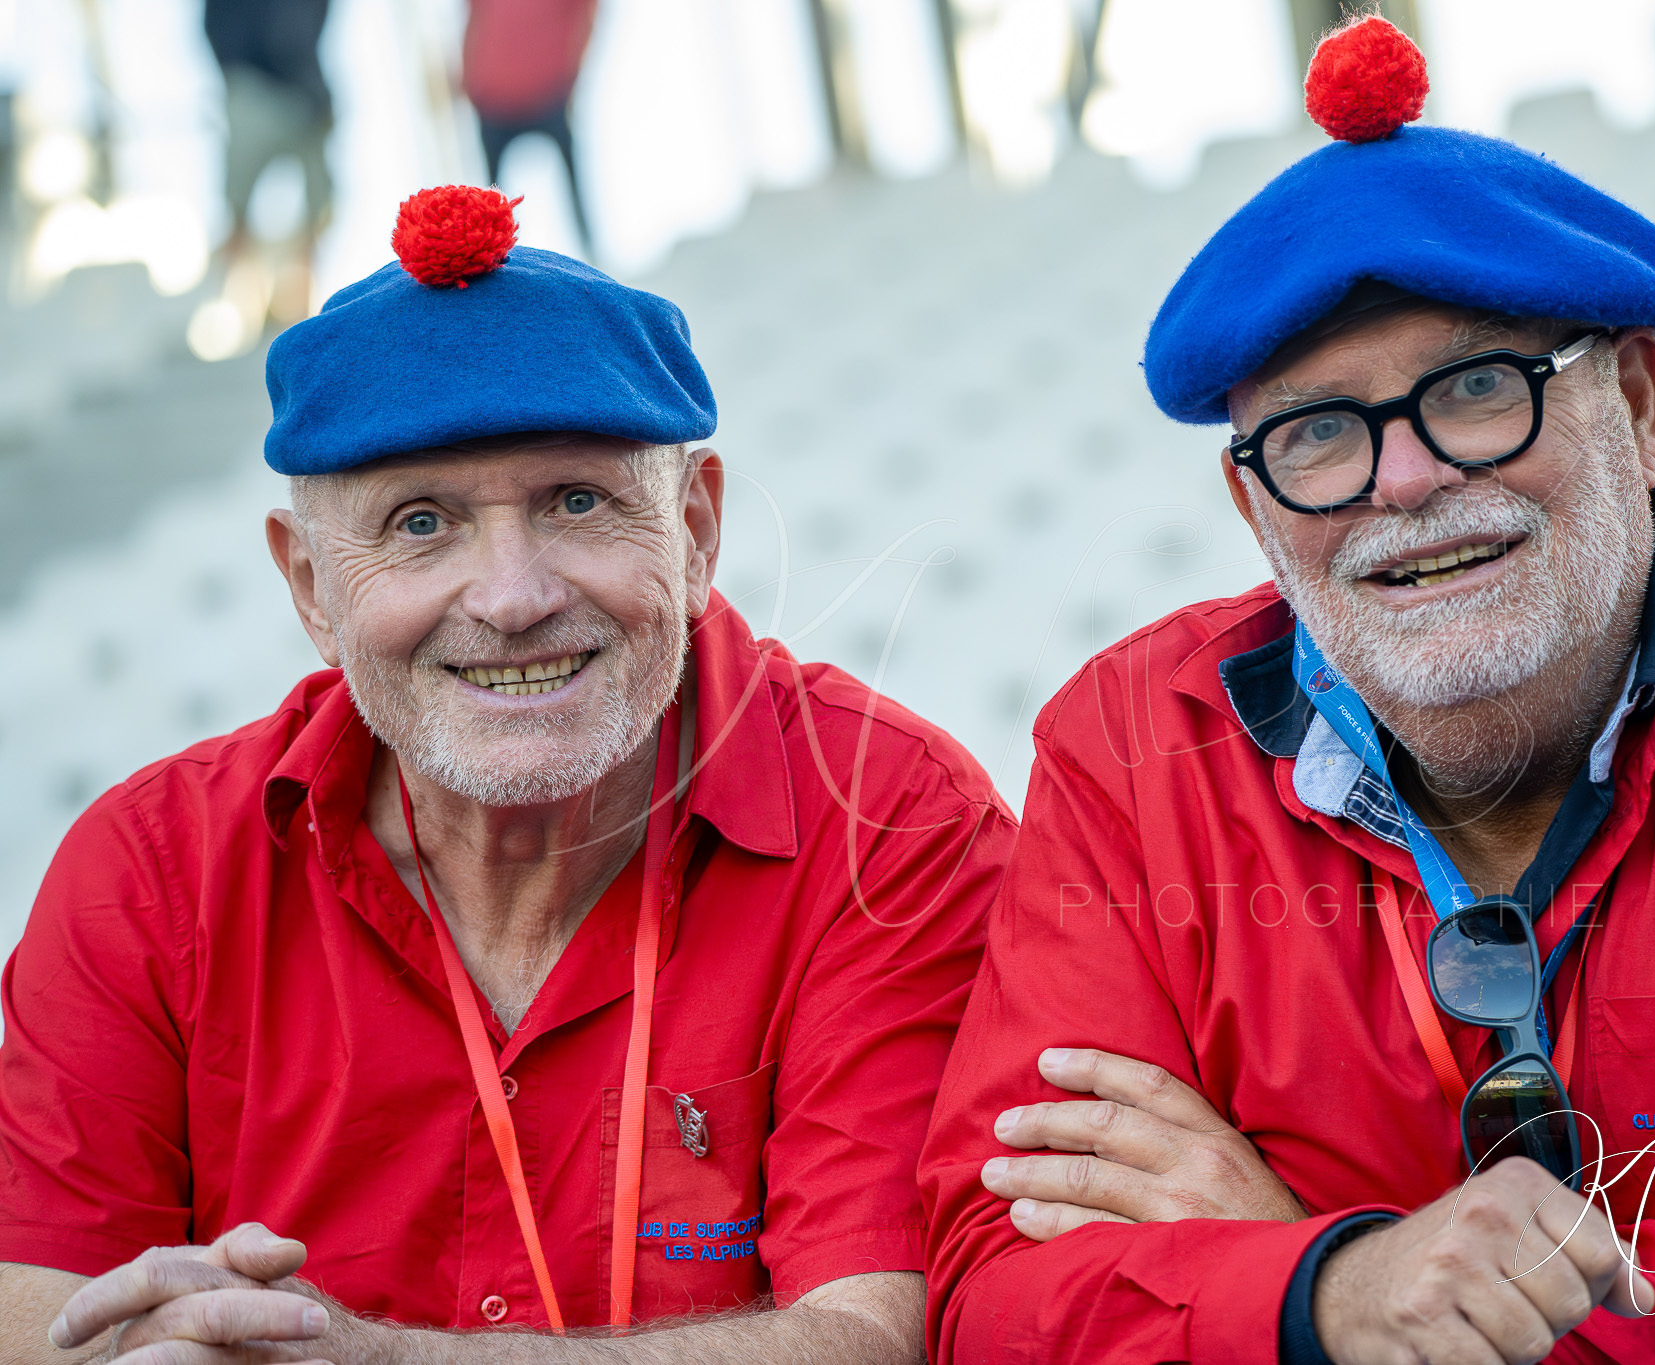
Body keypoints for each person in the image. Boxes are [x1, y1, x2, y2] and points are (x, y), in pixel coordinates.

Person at [920, 16, 1655, 1365]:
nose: (1403, 482)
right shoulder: (1126, 746)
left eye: (1473, 389)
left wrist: (1311, 1276)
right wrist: (1337, 1288)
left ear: (1638, 401)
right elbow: (994, 1298)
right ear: (1251, 503)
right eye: (1316, 433)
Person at [0, 186, 1013, 1362]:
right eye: (419, 523)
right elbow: (38, 1317)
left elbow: (877, 1341)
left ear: (695, 532)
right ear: (312, 588)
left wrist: (380, 1364)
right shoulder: (151, 869)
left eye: (577, 502)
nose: (514, 597)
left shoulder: (889, 819)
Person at [202, 0, 334, 325]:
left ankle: (289, 310)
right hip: (261, 87)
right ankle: (241, 315)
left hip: (292, 91)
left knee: (315, 210)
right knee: (241, 211)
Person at [462, 0, 599, 255]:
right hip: (493, 96)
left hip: (549, 92)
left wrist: (572, 76)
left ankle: (592, 253)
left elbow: (586, 14)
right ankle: (493, 260)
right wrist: (468, 77)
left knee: (573, 187)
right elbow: (474, 19)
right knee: (492, 206)